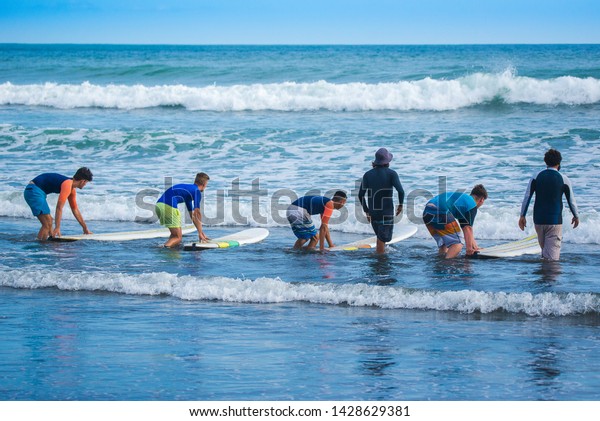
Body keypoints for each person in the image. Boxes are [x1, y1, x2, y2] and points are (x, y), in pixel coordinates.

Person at [519, 149, 579, 261]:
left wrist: (522, 215)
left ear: (545, 161)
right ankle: (547, 277)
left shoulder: (536, 176)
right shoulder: (564, 178)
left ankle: (542, 277)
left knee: (545, 253)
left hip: (538, 221)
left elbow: (527, 197)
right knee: (552, 260)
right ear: (559, 163)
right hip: (554, 222)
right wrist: (576, 216)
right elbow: (571, 200)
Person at [23, 167, 94, 240]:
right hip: (33, 191)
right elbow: (59, 207)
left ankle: (50, 240)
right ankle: (40, 245)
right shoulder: (68, 184)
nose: (85, 185)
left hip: (36, 191)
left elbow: (75, 209)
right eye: (86, 182)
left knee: (49, 220)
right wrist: (57, 227)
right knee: (47, 223)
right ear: (83, 181)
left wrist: (85, 228)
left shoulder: (71, 189)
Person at [358, 148, 405, 254]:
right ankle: (380, 262)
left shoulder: (367, 175)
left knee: (381, 237)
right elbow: (401, 191)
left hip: (373, 211)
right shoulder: (392, 174)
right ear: (387, 162)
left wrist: (367, 211)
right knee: (383, 238)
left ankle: (380, 257)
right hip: (386, 211)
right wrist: (400, 205)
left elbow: (361, 195)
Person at [423, 184, 488, 259]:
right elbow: (468, 228)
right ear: (482, 200)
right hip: (440, 210)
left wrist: (474, 246)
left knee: (445, 243)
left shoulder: (463, 202)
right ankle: (447, 263)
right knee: (457, 243)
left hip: (427, 211)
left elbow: (466, 229)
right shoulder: (472, 204)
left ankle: (440, 263)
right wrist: (469, 250)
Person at [155, 172, 210, 248]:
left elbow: (193, 215)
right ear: (204, 183)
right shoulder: (196, 191)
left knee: (176, 235)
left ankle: (170, 250)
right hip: (168, 206)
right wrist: (200, 233)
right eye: (207, 184)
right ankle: (164, 250)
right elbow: (197, 213)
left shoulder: (189, 191)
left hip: (159, 205)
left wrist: (200, 232)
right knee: (178, 237)